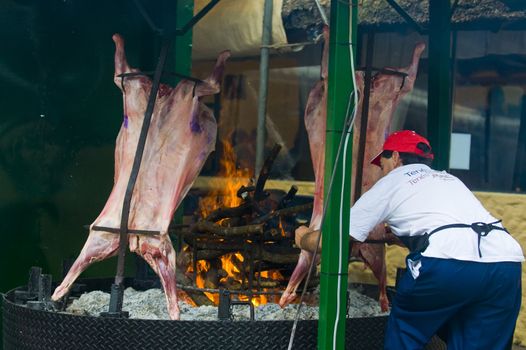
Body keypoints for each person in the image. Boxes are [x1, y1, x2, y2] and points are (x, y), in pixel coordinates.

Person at [295, 130, 524, 350]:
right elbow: (459, 229)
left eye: (382, 164)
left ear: (394, 157)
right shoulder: (449, 179)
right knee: (476, 339)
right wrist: (405, 240)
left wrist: (304, 237)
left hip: (447, 263)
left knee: (406, 330)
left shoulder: (393, 180)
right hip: (505, 262)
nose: (382, 171)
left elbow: (331, 241)